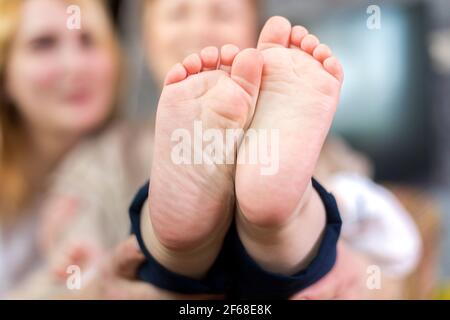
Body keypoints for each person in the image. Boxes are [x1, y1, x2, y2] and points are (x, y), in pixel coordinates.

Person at [0, 0, 120, 297]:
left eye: (88, 41)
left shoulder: (141, 174)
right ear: (4, 76)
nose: (75, 65)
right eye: (44, 44)